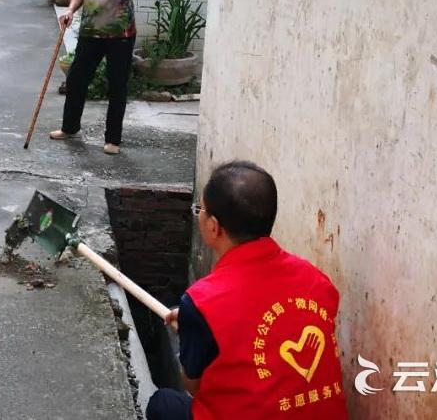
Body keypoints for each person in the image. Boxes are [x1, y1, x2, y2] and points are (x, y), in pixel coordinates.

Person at [147, 161, 349, 420]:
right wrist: (195, 325)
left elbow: (193, 386)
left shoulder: (204, 301)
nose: (200, 214)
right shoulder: (318, 281)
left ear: (213, 226)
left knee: (162, 404)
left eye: (201, 209)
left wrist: (193, 333)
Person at [50, 0, 146, 155]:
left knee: (117, 86)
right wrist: (70, 10)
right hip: (91, 30)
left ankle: (113, 139)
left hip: (121, 34)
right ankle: (70, 127)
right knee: (77, 79)